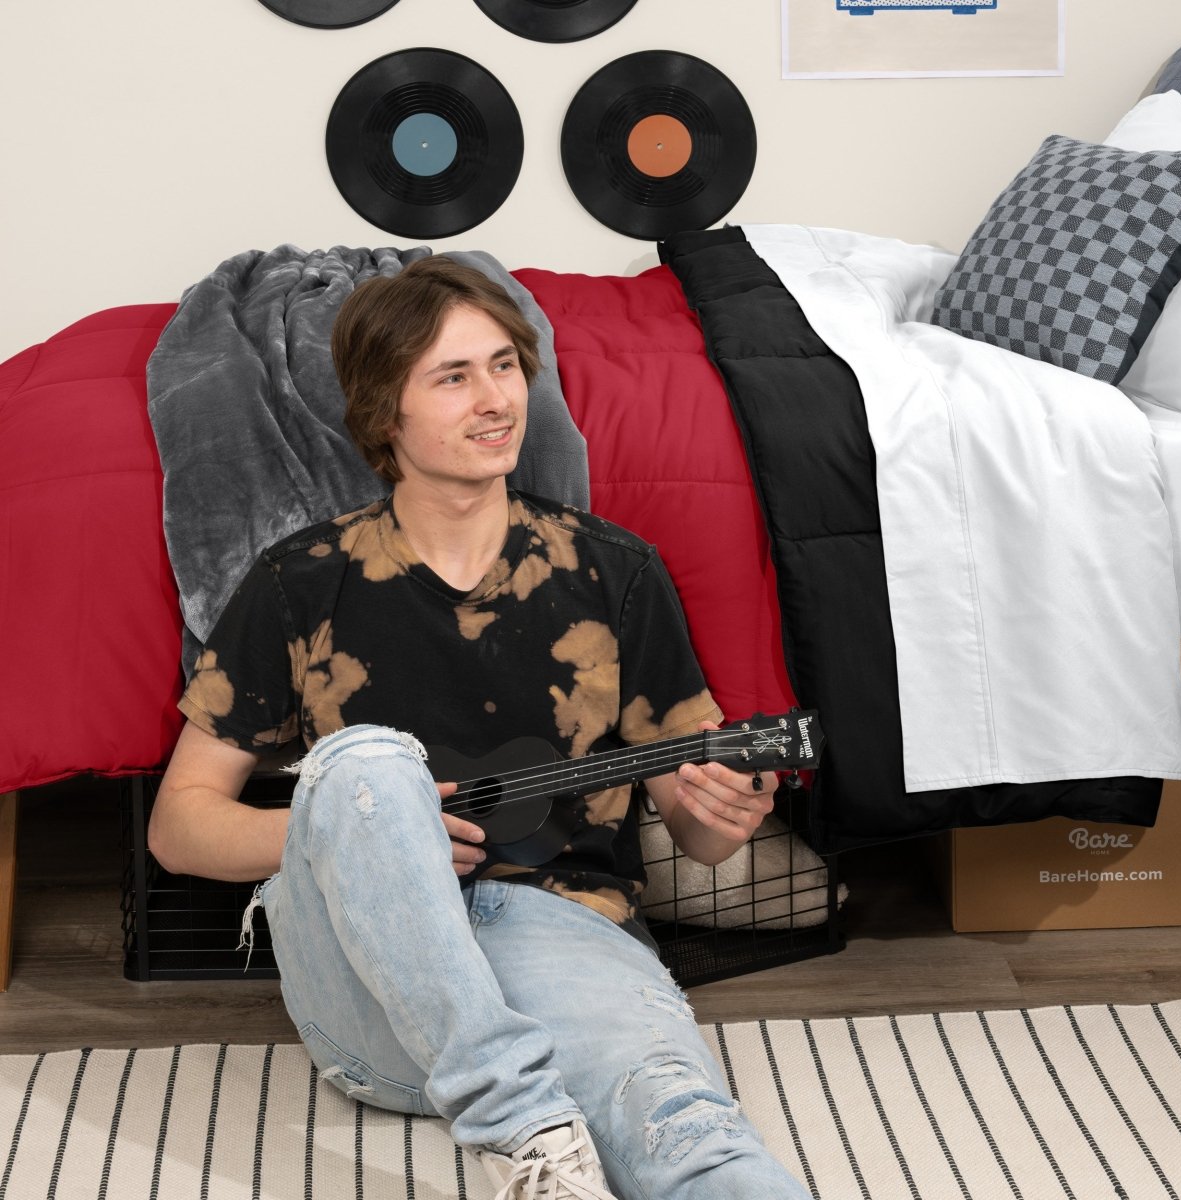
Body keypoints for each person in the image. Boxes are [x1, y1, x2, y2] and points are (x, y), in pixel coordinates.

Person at [148, 255, 812, 1200]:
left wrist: (724, 813)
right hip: (367, 988)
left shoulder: (615, 572)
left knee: (688, 1133)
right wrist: (374, 828)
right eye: (453, 378)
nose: (495, 399)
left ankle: (542, 1129)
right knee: (369, 762)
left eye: (503, 366)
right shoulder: (299, 583)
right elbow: (178, 826)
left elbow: (699, 836)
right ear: (385, 415)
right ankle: (524, 1121)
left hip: (564, 940)